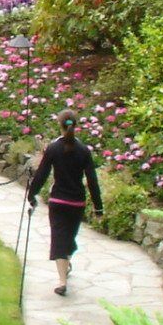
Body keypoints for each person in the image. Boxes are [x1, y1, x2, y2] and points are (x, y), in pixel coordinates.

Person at [26, 115, 103, 296]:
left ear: (59, 125)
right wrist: (98, 207)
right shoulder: (84, 150)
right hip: (77, 203)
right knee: (66, 238)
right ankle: (63, 278)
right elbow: (92, 180)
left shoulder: (53, 148)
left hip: (58, 201)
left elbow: (42, 174)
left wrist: (31, 194)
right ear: (75, 126)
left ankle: (62, 278)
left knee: (61, 238)